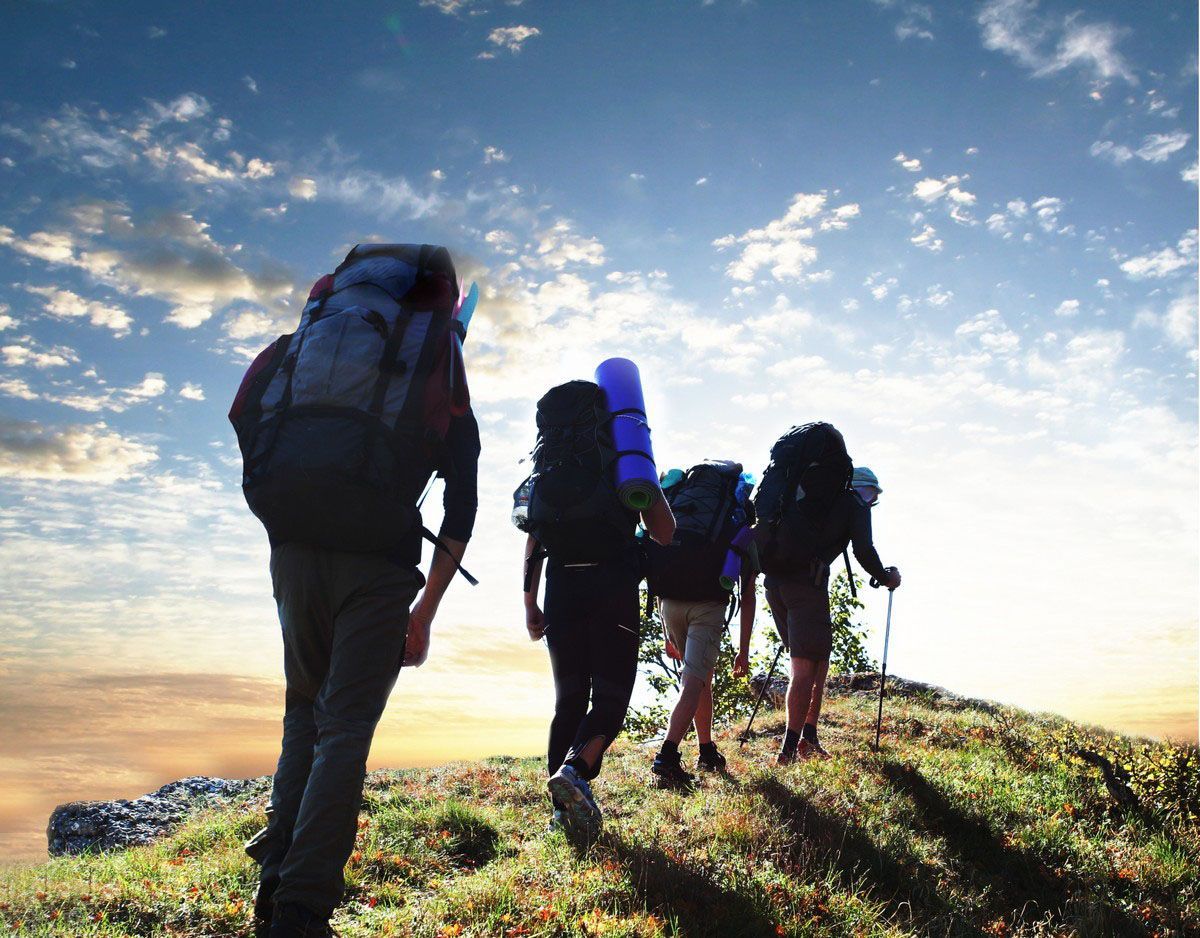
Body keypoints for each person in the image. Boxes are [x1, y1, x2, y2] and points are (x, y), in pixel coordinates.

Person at [234, 245, 480, 938]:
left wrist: (295, 506)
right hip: (377, 566)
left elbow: (247, 411)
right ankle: (302, 910)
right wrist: (424, 612)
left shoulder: (308, 342)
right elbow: (462, 501)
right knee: (343, 732)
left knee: (303, 716)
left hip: (292, 550)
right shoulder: (437, 361)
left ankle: (273, 883)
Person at [520, 381, 675, 836]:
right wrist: (646, 480)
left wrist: (530, 604)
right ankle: (574, 773)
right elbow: (665, 533)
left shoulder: (549, 465)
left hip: (560, 588)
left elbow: (534, 540)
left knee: (568, 701)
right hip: (612, 589)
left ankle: (559, 815)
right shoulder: (623, 464)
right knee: (609, 700)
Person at [765, 465, 899, 764]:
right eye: (872, 496)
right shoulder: (854, 503)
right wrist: (885, 576)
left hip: (775, 582)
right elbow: (864, 550)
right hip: (806, 585)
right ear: (865, 490)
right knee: (803, 669)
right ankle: (788, 752)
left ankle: (808, 736)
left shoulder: (810, 499)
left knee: (818, 659)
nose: (871, 502)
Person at [645, 463, 759, 785]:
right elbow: (747, 593)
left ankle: (706, 749)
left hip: (669, 603)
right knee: (693, 683)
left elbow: (660, 563)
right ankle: (666, 757)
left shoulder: (682, 505)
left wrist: (667, 630)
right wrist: (744, 650)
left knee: (700, 679)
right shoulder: (737, 518)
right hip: (707, 607)